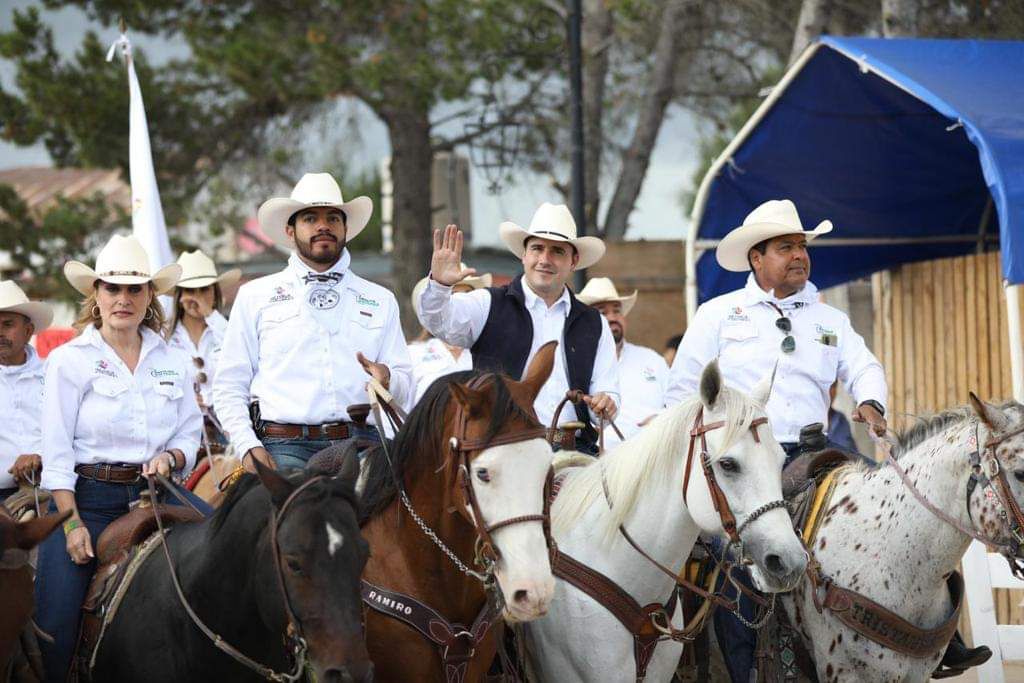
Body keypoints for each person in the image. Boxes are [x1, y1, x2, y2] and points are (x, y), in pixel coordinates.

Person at [667, 199, 984, 681]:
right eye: (785, 246)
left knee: (901, 510)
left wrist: (871, 401)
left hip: (819, 451)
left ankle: (943, 640)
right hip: (748, 462)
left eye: (802, 246)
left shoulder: (828, 319)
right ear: (756, 258)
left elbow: (864, 366)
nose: (799, 254)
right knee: (730, 560)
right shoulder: (717, 315)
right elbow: (680, 391)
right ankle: (744, 670)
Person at [35, 234, 210, 683]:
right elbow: (57, 452)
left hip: (159, 493)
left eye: (135, 289)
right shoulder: (68, 362)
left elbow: (190, 430)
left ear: (150, 294)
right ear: (95, 294)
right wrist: (71, 524)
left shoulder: (171, 358)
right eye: (113, 288)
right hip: (90, 501)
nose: (123, 298)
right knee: (56, 622)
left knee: (234, 547)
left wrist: (173, 455)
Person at [214, 172, 413, 472]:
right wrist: (248, 446)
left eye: (333, 218)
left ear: (345, 228)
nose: (323, 226)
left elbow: (406, 384)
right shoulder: (255, 296)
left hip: (363, 444)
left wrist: (388, 378)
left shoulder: (380, 299)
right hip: (284, 446)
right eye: (310, 218)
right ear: (290, 231)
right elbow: (229, 384)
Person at [417, 204, 619, 454]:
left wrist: (606, 404)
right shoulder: (488, 303)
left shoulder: (594, 323)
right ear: (524, 254)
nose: (545, 259)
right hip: (502, 451)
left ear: (574, 261)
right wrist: (439, 285)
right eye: (537, 248)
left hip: (575, 452)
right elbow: (439, 323)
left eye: (557, 251)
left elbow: (607, 392)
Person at [577, 277, 669, 446]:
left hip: (652, 460)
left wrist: (662, 420)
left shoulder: (652, 360)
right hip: (596, 463)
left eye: (617, 310)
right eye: (602, 312)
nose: (612, 318)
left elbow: (679, 406)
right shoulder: (575, 364)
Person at [166, 249, 240, 448]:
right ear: (179, 296)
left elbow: (240, 352)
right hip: (181, 427)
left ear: (214, 293)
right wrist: (186, 400)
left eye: (204, 289)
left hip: (227, 425)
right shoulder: (164, 338)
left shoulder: (225, 329)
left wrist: (210, 313)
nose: (196, 297)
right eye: (190, 290)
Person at [0, 280, 53, 504]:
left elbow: (72, 432)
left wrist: (39, 455)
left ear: (28, 331)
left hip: (50, 491)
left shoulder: (53, 374)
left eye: (7, 324)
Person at [408, 266, 491, 405]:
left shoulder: (493, 353)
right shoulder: (412, 354)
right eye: (452, 295)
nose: (461, 302)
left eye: (468, 295)